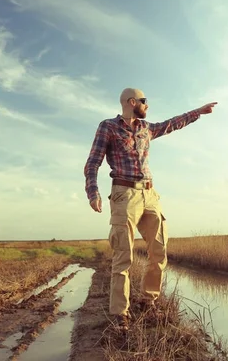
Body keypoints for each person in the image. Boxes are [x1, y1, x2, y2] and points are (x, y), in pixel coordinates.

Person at [83, 87, 217, 331]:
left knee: (159, 252)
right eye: (145, 102)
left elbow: (172, 124)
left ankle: (148, 301)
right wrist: (93, 193)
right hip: (124, 195)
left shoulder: (147, 129)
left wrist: (198, 112)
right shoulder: (108, 127)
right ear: (132, 102)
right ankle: (120, 314)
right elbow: (92, 163)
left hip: (150, 195)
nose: (147, 106)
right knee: (123, 256)